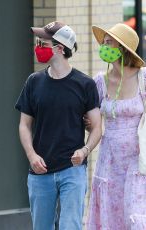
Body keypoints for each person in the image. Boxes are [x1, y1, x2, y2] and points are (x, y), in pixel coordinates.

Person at [15, 21, 102, 230]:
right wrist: (32, 156)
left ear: (60, 48)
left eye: (42, 42)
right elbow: (24, 125)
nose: (38, 46)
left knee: (70, 226)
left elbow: (97, 127)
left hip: (72, 171)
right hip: (40, 173)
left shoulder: (85, 84)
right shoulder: (33, 82)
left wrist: (85, 150)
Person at [86, 23, 146, 229]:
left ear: (122, 48)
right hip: (109, 158)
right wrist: (88, 125)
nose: (104, 46)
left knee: (135, 213)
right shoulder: (99, 82)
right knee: (110, 212)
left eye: (109, 42)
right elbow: (92, 123)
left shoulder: (143, 77)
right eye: (104, 42)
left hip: (137, 159)